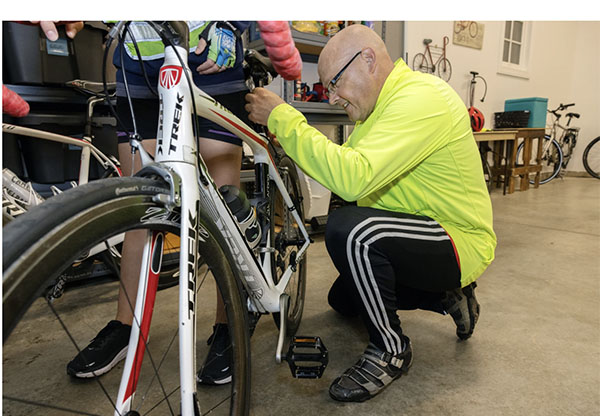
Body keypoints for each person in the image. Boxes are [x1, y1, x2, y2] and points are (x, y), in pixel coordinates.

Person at [245, 24, 496, 402]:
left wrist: (283, 116)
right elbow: (347, 173)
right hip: (413, 232)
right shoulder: (373, 117)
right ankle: (447, 297)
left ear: (367, 60)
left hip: (455, 238)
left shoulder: (422, 97)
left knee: (350, 231)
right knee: (343, 300)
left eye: (334, 84)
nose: (331, 98)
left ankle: (391, 350)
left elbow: (352, 179)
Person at [63, 21, 251, 386]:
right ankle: (125, 325)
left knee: (222, 213)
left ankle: (228, 326)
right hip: (139, 68)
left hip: (209, 60)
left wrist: (234, 22)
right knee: (139, 207)